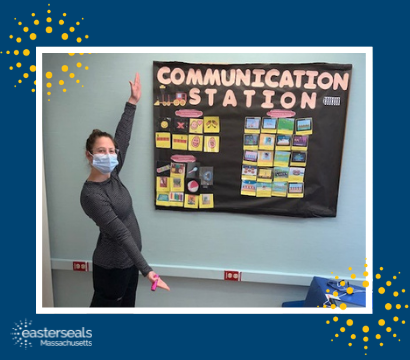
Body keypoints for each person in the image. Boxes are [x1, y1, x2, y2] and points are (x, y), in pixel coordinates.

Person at [80, 73, 159, 307]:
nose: (109, 154)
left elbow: (123, 138)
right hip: (112, 268)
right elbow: (122, 233)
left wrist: (132, 102)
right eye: (101, 151)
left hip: (129, 263)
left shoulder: (112, 174)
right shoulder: (91, 195)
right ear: (89, 155)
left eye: (111, 150)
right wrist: (148, 271)